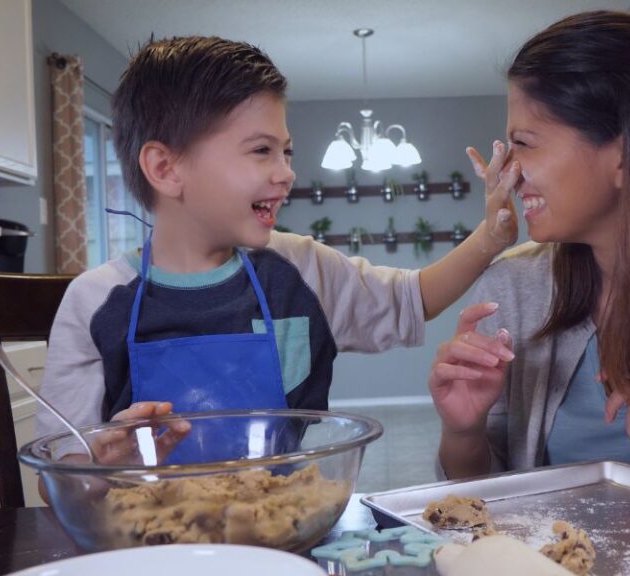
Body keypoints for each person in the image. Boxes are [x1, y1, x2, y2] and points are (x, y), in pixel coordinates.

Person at [36, 35, 518, 448]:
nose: (286, 172)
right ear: (166, 168)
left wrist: (490, 237)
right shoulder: (95, 302)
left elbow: (411, 298)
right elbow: (61, 466)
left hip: (283, 527)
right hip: (150, 544)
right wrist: (101, 461)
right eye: (261, 150)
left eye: (286, 152)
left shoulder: (299, 269)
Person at [431, 10, 630, 480]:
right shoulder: (511, 292)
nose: (507, 173)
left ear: (624, 155)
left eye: (524, 142)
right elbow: (478, 500)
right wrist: (463, 431)